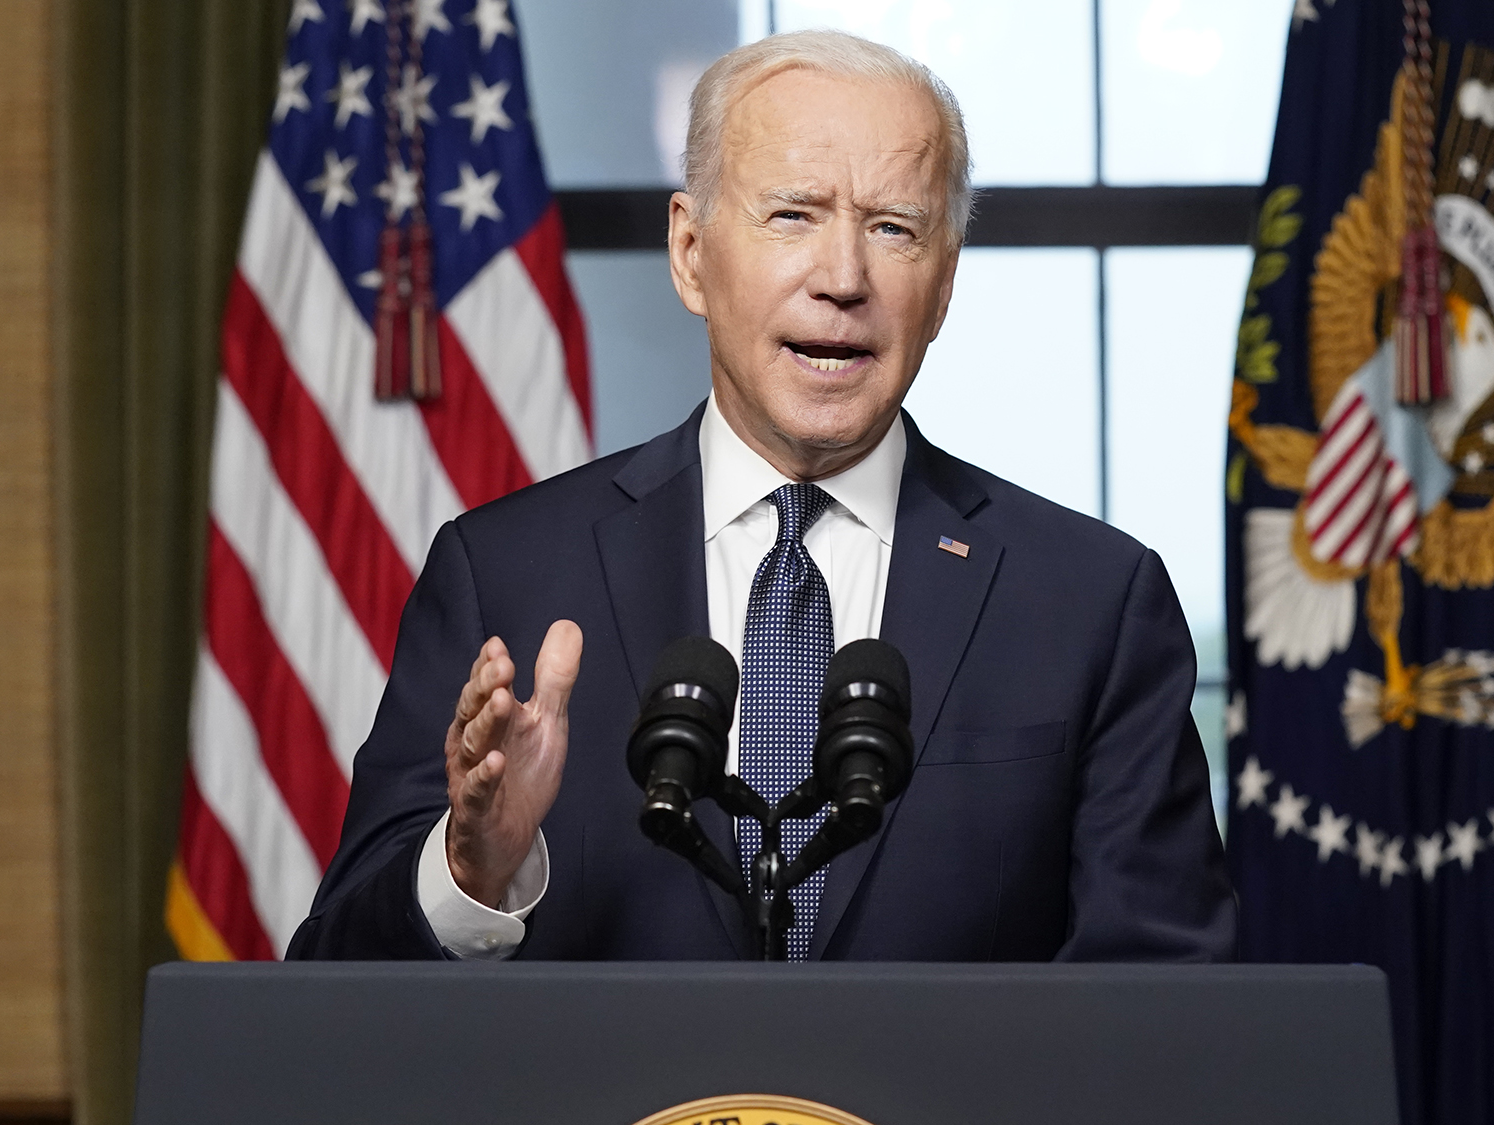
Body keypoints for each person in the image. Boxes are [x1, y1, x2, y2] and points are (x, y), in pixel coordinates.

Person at [287, 29, 1234, 962]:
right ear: (691, 253)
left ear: (944, 283)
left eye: (893, 228)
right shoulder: (504, 575)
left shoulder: (1093, 604)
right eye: (792, 215)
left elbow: (1166, 1005)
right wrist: (471, 870)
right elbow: (335, 991)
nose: (843, 279)